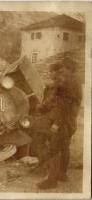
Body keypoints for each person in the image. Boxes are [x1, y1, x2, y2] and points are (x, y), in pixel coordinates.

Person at [36, 58, 82, 189]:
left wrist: (57, 123)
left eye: (63, 69)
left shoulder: (67, 84)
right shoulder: (75, 82)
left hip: (63, 122)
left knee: (54, 148)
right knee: (64, 147)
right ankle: (62, 174)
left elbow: (63, 106)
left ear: (68, 70)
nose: (61, 72)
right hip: (70, 122)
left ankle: (51, 180)